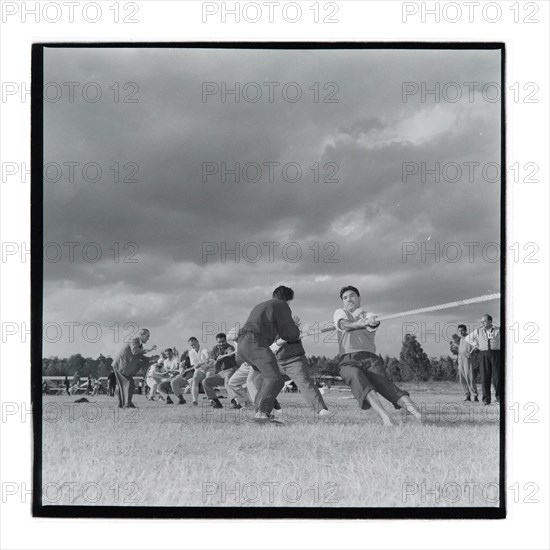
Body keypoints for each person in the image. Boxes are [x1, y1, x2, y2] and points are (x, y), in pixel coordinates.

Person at [334, 285, 423, 426]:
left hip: (370, 358)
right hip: (348, 359)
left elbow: (372, 324)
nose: (348, 299)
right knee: (356, 378)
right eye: (345, 298)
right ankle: (386, 417)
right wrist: (358, 323)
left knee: (386, 386)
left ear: (359, 298)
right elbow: (344, 325)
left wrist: (371, 322)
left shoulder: (369, 315)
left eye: (351, 295)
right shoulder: (340, 313)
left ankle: (418, 415)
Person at [237, 285, 300, 422]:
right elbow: (289, 333)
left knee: (266, 379)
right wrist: (295, 328)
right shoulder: (282, 305)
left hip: (243, 345)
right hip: (255, 343)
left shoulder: (262, 305)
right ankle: (262, 414)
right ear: (288, 300)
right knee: (275, 379)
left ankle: (259, 411)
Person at [270, 316, 329, 416]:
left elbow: (291, 334)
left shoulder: (289, 322)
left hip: (294, 361)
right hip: (277, 363)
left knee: (304, 382)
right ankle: (269, 407)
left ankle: (320, 409)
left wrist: (278, 343)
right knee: (266, 381)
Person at [112, 328, 157, 408]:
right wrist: (149, 350)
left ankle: (124, 404)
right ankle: (127, 404)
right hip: (120, 366)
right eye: (147, 336)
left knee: (128, 384)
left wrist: (151, 359)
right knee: (128, 383)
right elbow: (135, 352)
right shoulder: (135, 340)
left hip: (123, 367)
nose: (148, 338)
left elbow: (139, 355)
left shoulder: (138, 344)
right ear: (141, 335)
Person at [465, 314, 501, 405]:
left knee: (497, 377)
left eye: (484, 321)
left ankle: (499, 397)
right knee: (485, 377)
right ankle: (486, 399)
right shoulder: (478, 331)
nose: (482, 323)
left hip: (496, 354)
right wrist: (476, 344)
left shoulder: (498, 330)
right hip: (483, 354)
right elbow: (467, 338)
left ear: (490, 321)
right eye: (482, 321)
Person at [202, 333, 240, 409]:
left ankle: (236, 402)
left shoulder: (230, 347)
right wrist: (211, 362)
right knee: (205, 381)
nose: (221, 343)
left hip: (230, 370)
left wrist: (228, 354)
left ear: (226, 340)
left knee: (227, 383)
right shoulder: (215, 349)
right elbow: (212, 361)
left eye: (223, 341)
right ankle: (216, 402)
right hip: (220, 373)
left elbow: (230, 353)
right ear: (217, 341)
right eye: (219, 342)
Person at [188, 337, 215, 406]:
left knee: (207, 380)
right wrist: (199, 364)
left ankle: (211, 399)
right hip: (201, 369)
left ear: (197, 342)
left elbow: (207, 356)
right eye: (192, 345)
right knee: (195, 379)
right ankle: (195, 400)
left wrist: (205, 359)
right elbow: (195, 365)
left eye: (194, 344)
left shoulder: (204, 347)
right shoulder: (191, 352)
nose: (193, 346)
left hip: (210, 367)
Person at [457, 324, 478, 402]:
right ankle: (467, 395)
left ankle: (475, 396)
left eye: (462, 330)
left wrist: (471, 352)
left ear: (465, 330)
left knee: (470, 377)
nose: (461, 332)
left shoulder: (469, 338)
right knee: (462, 379)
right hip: (460, 360)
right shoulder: (461, 339)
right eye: (459, 330)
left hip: (467, 359)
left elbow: (476, 346)